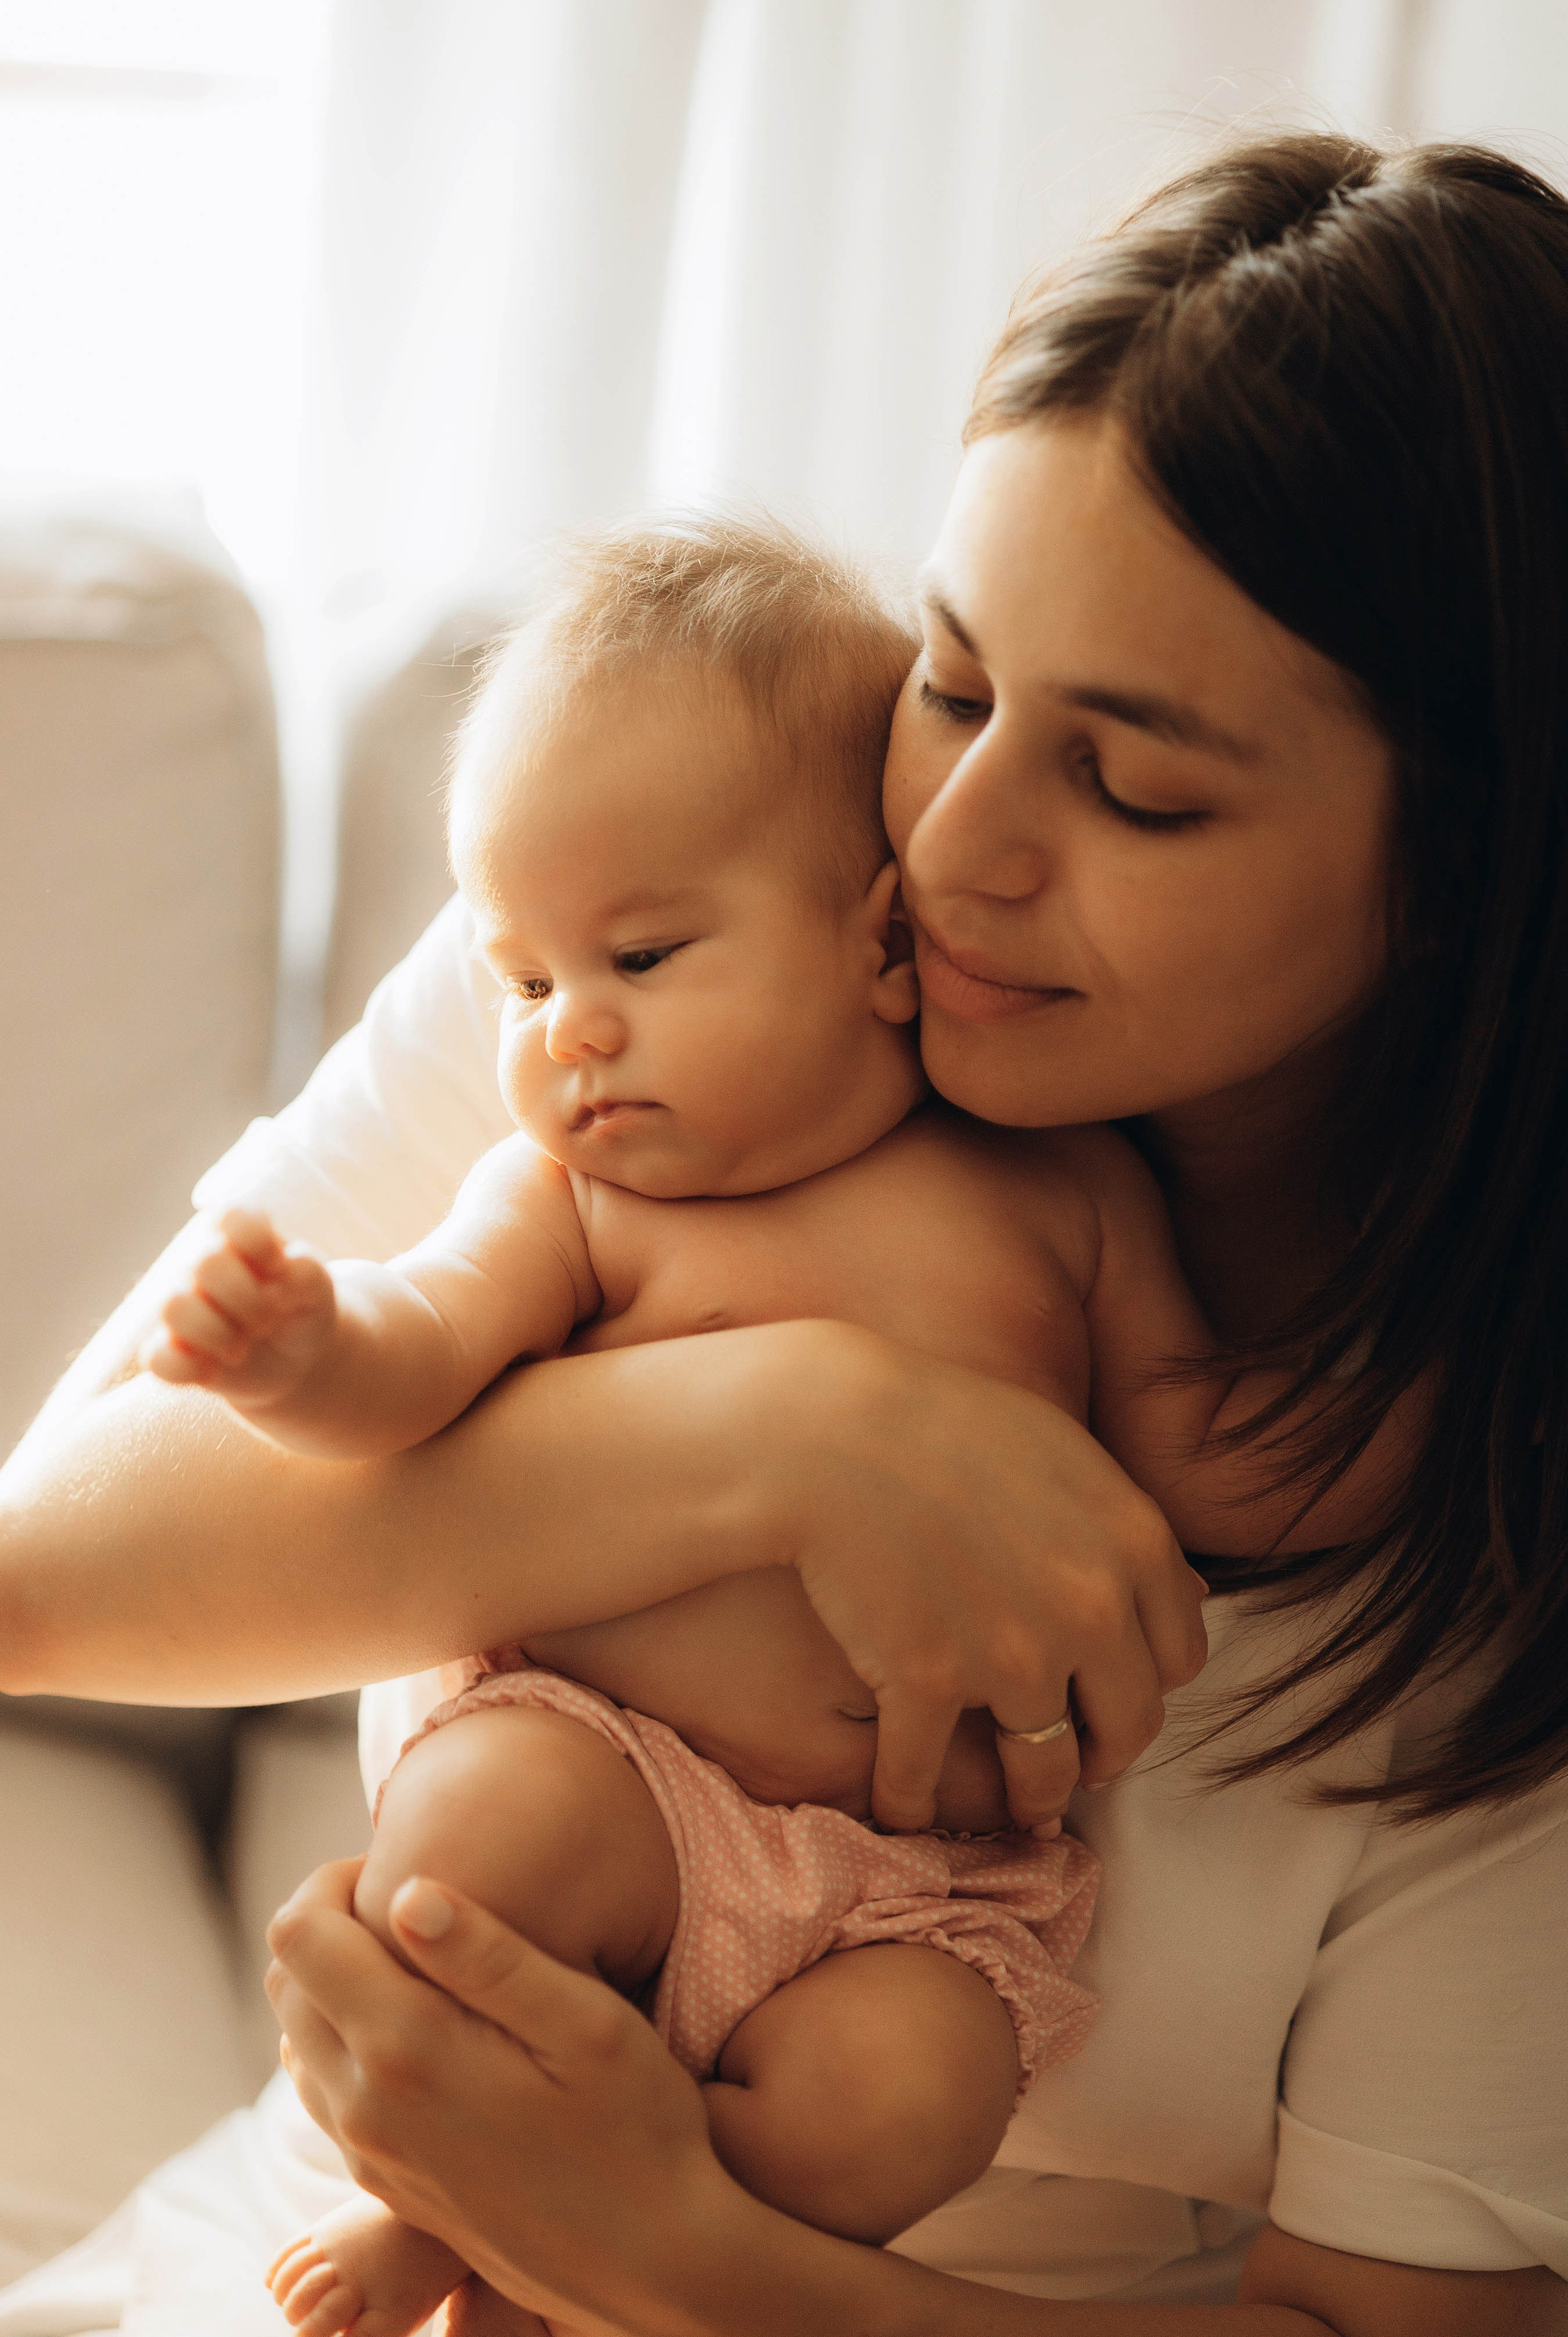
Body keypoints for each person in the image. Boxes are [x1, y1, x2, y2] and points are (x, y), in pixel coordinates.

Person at [2, 130, 1566, 2331]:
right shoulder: (667, 951)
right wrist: (796, 1437)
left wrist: (664, 2254)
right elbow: (42, 1576)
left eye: (1133, 787)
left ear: (1466, 887)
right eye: (951, 676)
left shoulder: (1496, 1523)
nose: (958, 846)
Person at [145, 519, 1407, 2337]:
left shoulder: (1065, 1197)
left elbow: (1210, 1461)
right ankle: (442, 2221)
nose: (568, 1033)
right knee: (470, 1856)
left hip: (914, 1886)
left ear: (884, 947)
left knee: (913, 2102)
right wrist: (291, 1350)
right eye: (520, 984)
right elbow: (417, 1353)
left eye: (642, 957)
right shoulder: (573, 1202)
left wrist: (1417, 1428)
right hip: (615, 1771)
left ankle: (586, 2259)